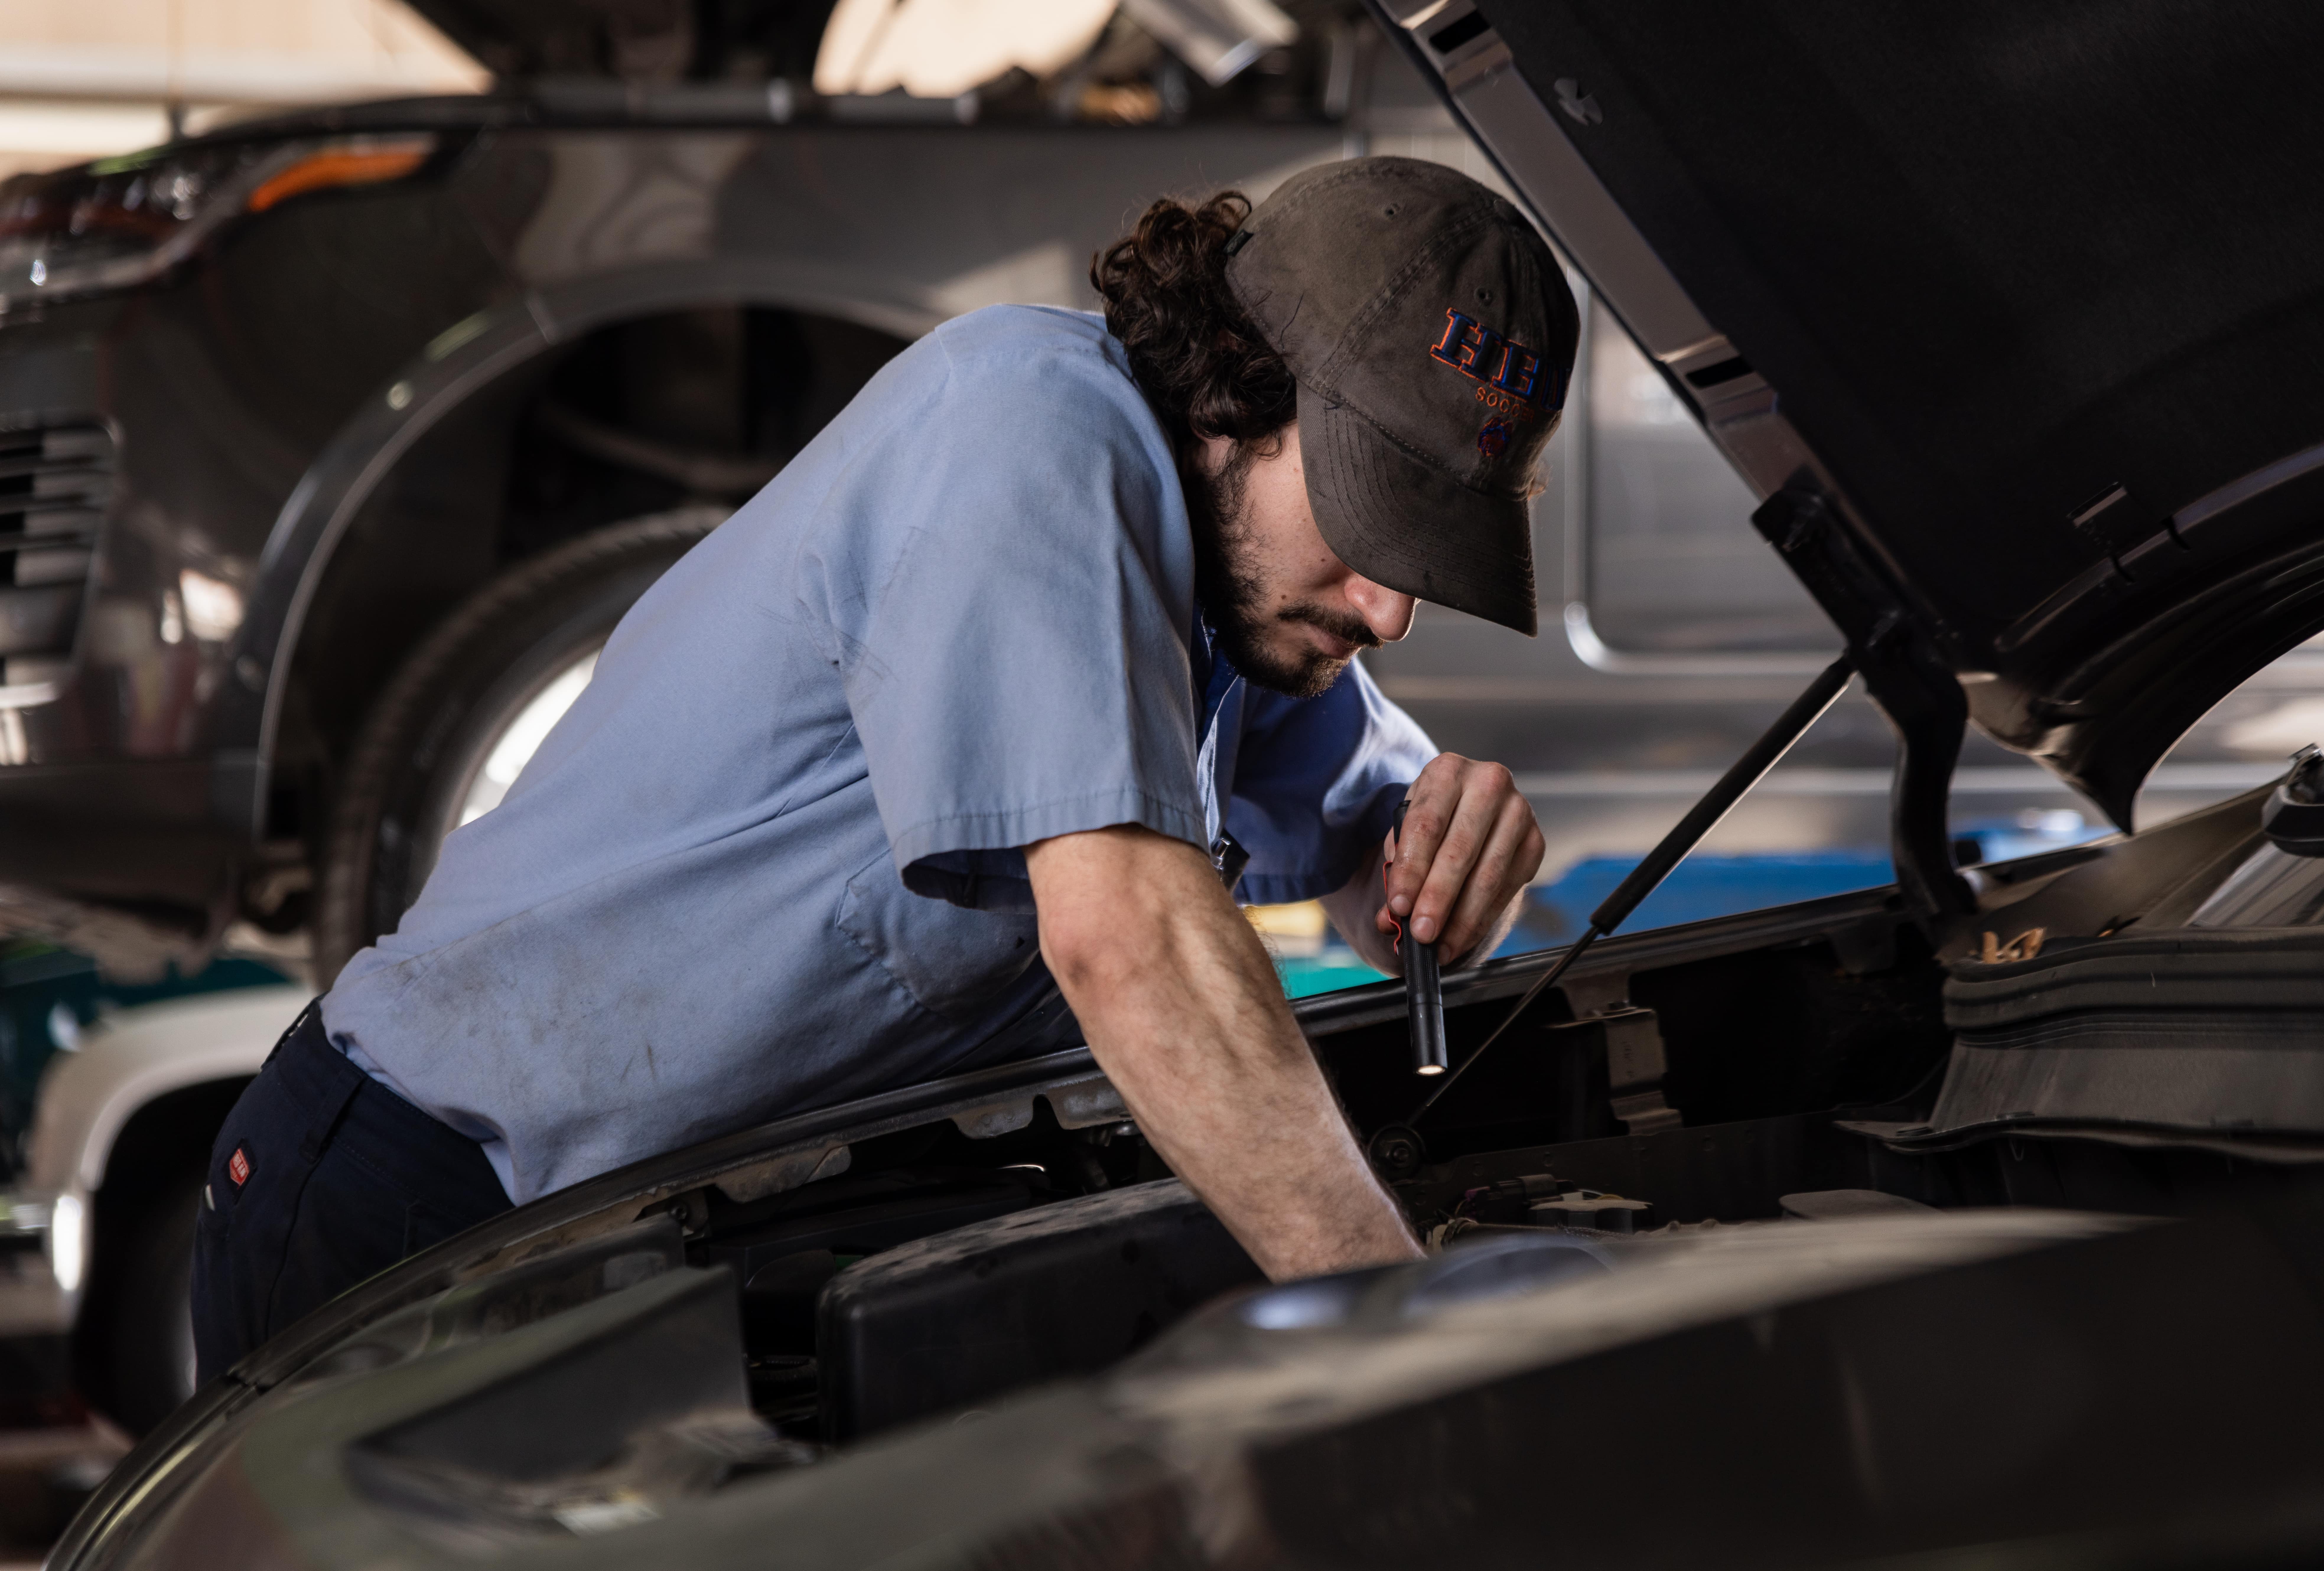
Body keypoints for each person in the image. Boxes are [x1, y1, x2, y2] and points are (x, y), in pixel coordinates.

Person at [191, 156, 1578, 1377]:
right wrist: (1407, 1342)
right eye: (1362, 520)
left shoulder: (1252, 604)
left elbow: (1373, 875)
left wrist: (1444, 845)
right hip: (419, 1209)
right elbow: (1125, 937)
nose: (1389, 609)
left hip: (682, 1249)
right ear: (1231, 384)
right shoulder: (1028, 428)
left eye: (1423, 553)